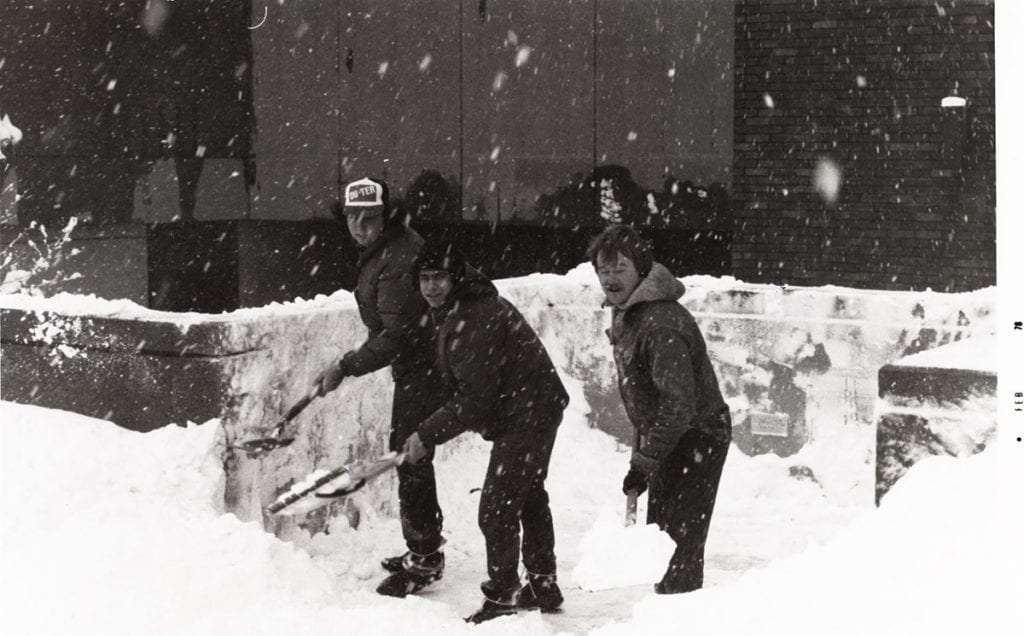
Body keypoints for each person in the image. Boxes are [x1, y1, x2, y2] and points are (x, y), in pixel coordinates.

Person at [403, 241, 569, 624]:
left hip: (526, 414)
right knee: (527, 492)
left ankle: (501, 599)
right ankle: (543, 583)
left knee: (497, 508)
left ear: (455, 277)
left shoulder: (472, 317)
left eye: (439, 277)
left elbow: (475, 399)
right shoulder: (462, 307)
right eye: (424, 278)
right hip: (536, 406)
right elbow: (466, 383)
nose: (430, 287)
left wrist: (427, 434)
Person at [314, 177, 448, 598]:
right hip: (422, 363)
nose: (359, 226)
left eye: (369, 218)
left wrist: (345, 366)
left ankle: (425, 557)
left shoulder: (398, 255)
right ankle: (424, 548)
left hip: (431, 364)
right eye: (352, 217)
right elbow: (391, 328)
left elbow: (399, 335)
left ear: (384, 216)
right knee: (411, 453)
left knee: (410, 454)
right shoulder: (384, 250)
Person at [586, 224, 731, 595]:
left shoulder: (660, 323)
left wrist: (644, 462)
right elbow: (648, 398)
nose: (610, 278)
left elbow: (678, 406)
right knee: (662, 539)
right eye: (604, 270)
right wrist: (644, 459)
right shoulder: (629, 312)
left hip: (698, 436)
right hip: (672, 435)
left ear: (642, 269)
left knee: (679, 544)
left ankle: (678, 612)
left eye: (620, 268)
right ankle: (667, 608)